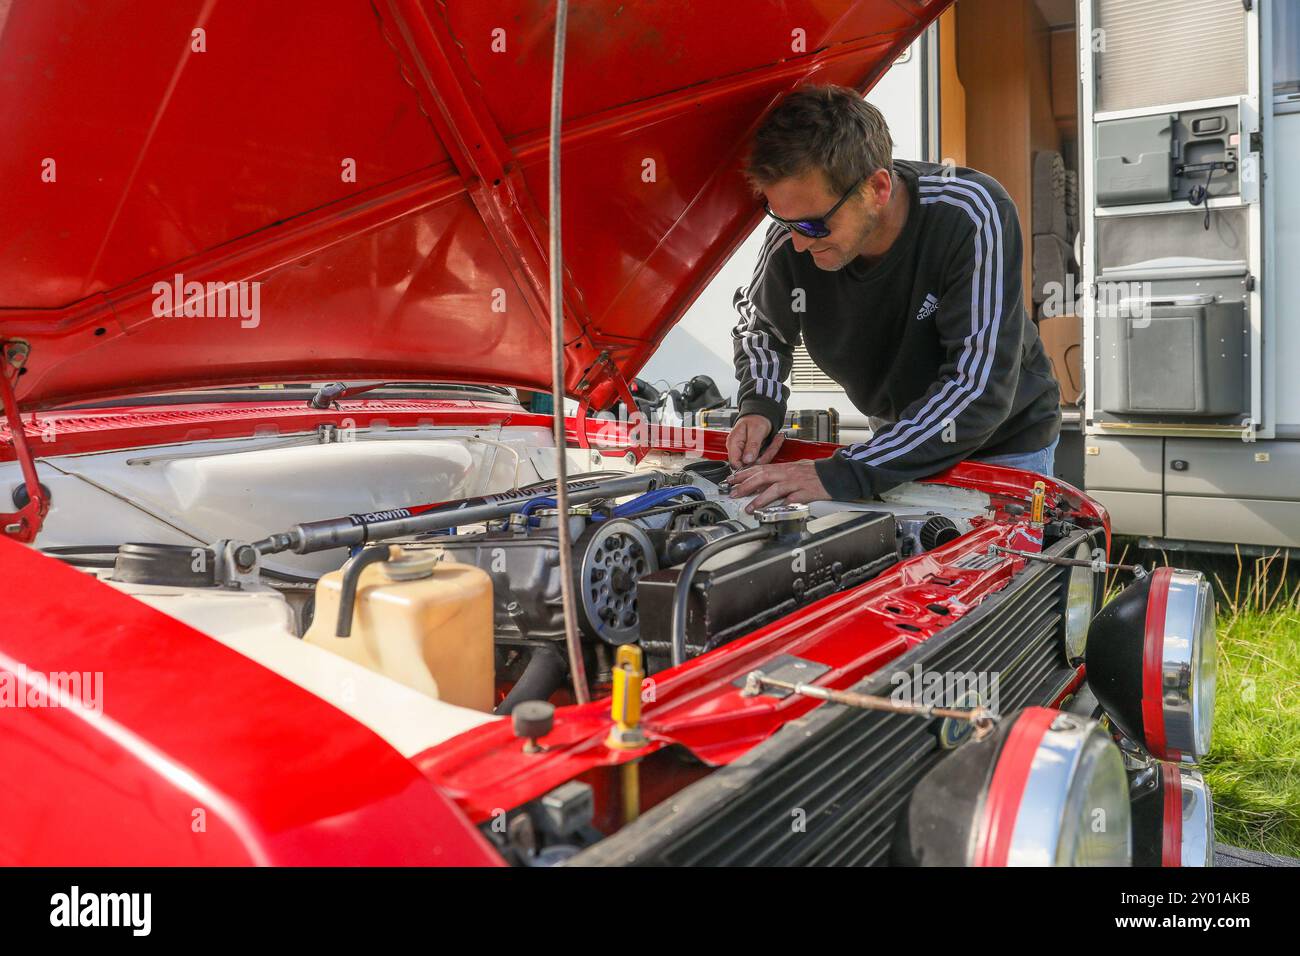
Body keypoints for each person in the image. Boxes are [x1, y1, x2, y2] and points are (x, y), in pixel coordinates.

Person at [725, 85, 1060, 511]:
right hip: (899, 438)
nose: (797, 244)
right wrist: (760, 404)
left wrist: (844, 472)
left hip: (1003, 447)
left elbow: (977, 388)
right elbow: (759, 329)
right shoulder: (793, 234)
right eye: (781, 219)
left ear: (878, 189)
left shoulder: (970, 213)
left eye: (813, 226)